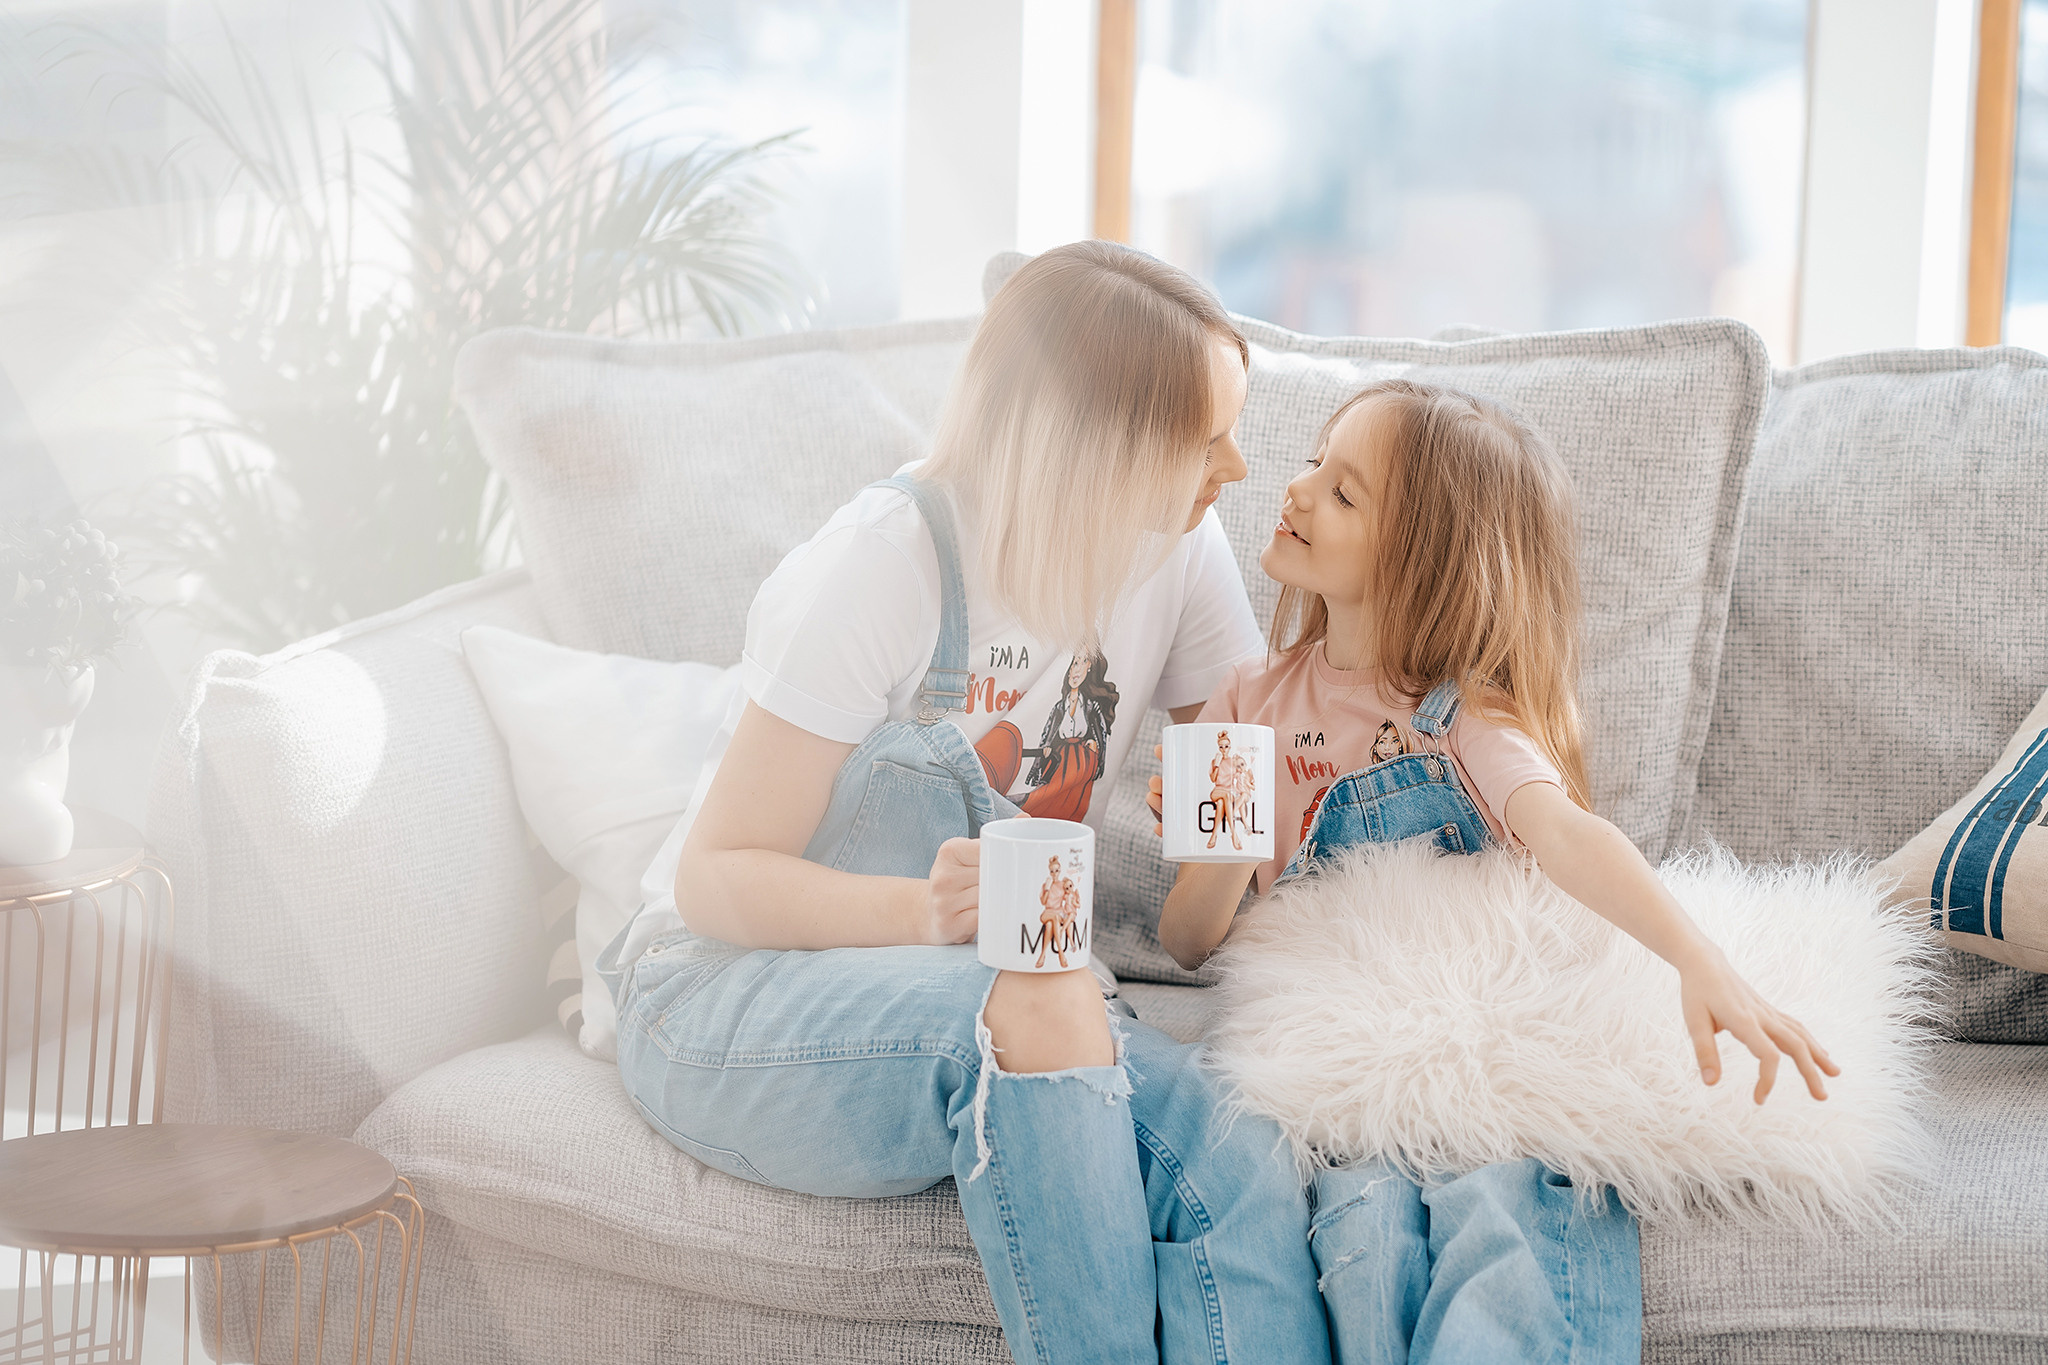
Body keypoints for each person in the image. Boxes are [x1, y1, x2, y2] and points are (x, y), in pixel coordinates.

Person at [602, 242, 1332, 1365]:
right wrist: (926, 913)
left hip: (1002, 978)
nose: (1235, 468)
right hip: (721, 990)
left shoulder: (1177, 549)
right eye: (1203, 438)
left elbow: (1220, 790)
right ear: (1090, 444)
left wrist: (1239, 827)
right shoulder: (885, 562)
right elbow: (717, 876)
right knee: (1034, 999)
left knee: (1234, 1146)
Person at [1148, 378, 1841, 1364]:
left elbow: (1565, 835)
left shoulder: (1459, 719)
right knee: (1362, 1236)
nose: (1296, 491)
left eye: (1344, 494)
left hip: (1468, 1040)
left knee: (1503, 1226)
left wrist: (1699, 959)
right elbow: (1185, 940)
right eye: (1313, 463)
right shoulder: (1241, 703)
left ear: (1423, 562)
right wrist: (1225, 840)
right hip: (1337, 1054)